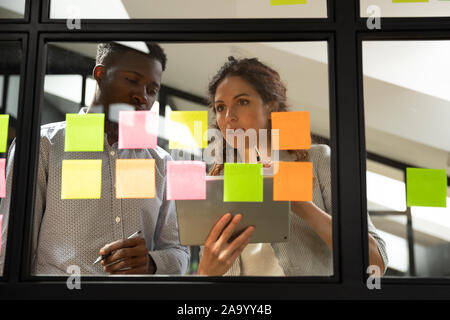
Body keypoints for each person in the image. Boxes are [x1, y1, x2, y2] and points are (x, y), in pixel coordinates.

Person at [0, 42, 190, 275]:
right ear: (100, 75)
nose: (142, 96)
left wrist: (152, 263)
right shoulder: (41, 146)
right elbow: (11, 249)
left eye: (152, 90)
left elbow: (179, 254)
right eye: (132, 80)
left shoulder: (163, 164)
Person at [197, 56, 388, 276]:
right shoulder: (215, 179)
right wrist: (205, 271)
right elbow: (207, 275)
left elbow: (375, 264)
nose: (229, 116)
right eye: (220, 107)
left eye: (242, 102)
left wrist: (302, 205)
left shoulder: (317, 160)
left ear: (271, 106)